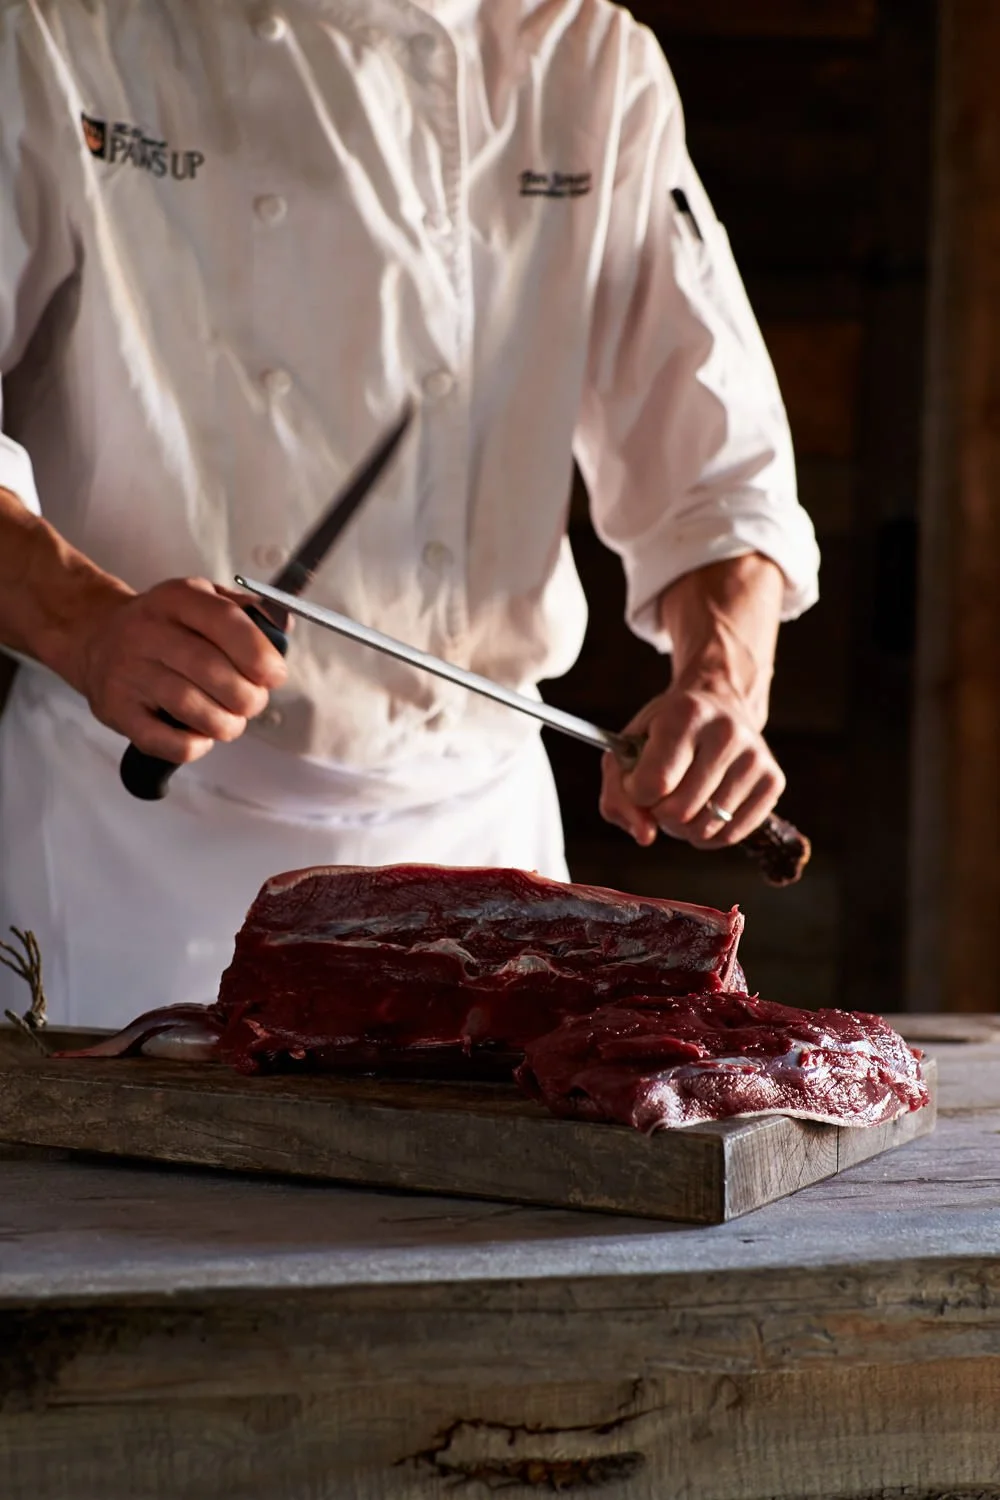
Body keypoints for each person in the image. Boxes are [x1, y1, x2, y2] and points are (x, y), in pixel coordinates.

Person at [0, 0, 819, 1028]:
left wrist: (720, 686)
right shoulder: (59, 30)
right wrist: (88, 625)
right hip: (134, 831)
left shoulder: (585, 65)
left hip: (480, 846)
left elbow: (718, 469)